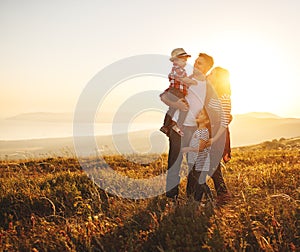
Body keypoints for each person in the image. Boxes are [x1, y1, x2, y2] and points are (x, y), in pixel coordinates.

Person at [160, 53, 214, 200]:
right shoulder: (185, 81)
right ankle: (172, 198)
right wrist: (175, 104)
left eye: (200, 63)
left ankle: (190, 197)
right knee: (174, 163)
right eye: (196, 62)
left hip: (195, 130)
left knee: (194, 166)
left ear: (208, 68)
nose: (196, 64)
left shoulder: (209, 87)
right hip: (178, 127)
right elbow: (164, 96)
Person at [205, 66, 232, 204]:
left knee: (213, 165)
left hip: (218, 134)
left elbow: (225, 120)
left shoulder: (224, 96)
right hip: (208, 132)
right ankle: (221, 194)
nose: (209, 74)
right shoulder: (210, 93)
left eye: (213, 74)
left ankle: (223, 195)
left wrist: (215, 138)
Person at [160, 48, 196, 137]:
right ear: (176, 60)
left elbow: (183, 80)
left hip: (173, 92)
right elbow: (184, 79)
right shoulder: (178, 69)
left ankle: (165, 126)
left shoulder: (177, 69)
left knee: (172, 109)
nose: (185, 63)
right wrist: (193, 82)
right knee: (185, 107)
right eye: (183, 60)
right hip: (176, 92)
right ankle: (179, 125)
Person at [182, 109, 214, 203]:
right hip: (195, 162)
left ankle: (201, 201)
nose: (198, 114)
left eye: (201, 114)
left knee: (200, 182)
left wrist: (188, 149)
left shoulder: (204, 132)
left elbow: (201, 148)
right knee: (198, 181)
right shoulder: (197, 131)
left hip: (201, 162)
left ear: (207, 120)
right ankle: (202, 200)